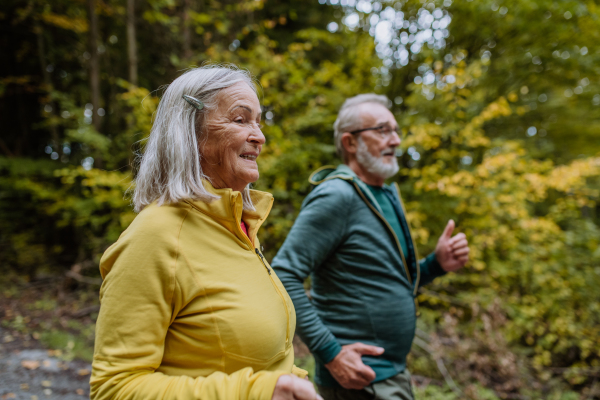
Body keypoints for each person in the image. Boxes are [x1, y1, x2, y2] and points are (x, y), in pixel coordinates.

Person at [90, 65, 322, 400]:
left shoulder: (240, 227)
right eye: (240, 119)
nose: (259, 136)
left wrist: (293, 383)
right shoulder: (155, 237)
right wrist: (256, 393)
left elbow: (266, 362)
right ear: (191, 132)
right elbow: (113, 388)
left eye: (258, 120)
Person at [271, 94, 470, 400]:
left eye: (396, 131)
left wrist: (436, 265)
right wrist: (332, 354)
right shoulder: (338, 196)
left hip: (390, 374)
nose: (395, 140)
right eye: (382, 130)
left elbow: (385, 280)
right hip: (357, 381)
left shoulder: (386, 194)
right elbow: (283, 275)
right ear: (350, 143)